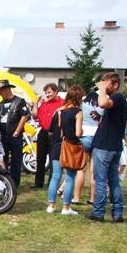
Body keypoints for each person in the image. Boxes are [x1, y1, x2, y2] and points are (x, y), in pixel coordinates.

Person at [88, 72, 127, 223]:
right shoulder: (119, 100)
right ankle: (117, 213)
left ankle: (98, 212)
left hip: (105, 146)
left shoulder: (118, 98)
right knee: (113, 180)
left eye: (107, 83)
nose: (104, 86)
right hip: (114, 145)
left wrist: (102, 89)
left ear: (115, 85)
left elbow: (102, 103)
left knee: (101, 180)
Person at [45, 85, 84, 215]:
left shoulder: (58, 111)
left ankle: (51, 205)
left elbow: (51, 131)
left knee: (55, 176)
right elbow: (78, 133)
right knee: (70, 177)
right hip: (70, 148)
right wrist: (81, 131)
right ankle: (66, 207)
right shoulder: (78, 112)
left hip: (57, 147)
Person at [0, 79, 30, 187]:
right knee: (3, 158)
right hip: (3, 135)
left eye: (1, 91)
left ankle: (15, 183)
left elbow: (25, 116)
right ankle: (4, 181)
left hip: (15, 136)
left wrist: (17, 131)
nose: (0, 94)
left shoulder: (19, 101)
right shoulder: (1, 104)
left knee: (16, 160)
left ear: (7, 90)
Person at [72, 89, 103, 205]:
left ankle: (76, 197)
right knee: (94, 171)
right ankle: (93, 198)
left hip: (84, 136)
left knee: (81, 170)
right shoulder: (101, 107)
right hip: (97, 137)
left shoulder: (82, 106)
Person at [31, 82, 64, 188]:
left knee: (54, 159)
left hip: (55, 133)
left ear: (55, 91)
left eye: (49, 92)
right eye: (46, 93)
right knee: (40, 158)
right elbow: (35, 115)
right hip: (43, 132)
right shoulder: (44, 104)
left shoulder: (62, 103)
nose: (47, 95)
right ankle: (38, 182)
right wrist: (36, 102)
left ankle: (52, 183)